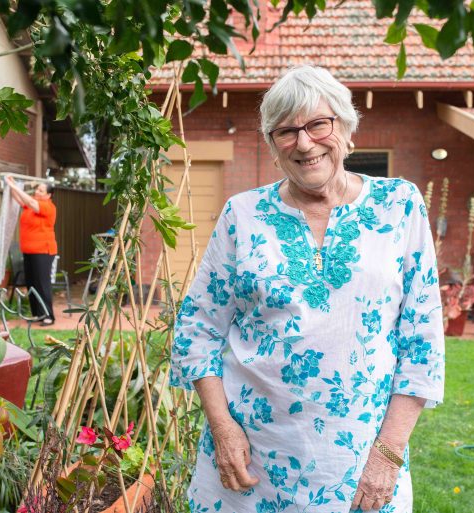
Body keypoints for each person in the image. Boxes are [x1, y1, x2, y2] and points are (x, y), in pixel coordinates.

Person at [170, 66, 445, 513]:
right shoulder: (243, 214)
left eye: (319, 124)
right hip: (250, 464)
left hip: (359, 466)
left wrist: (389, 453)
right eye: (286, 131)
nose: (303, 142)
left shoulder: (400, 206)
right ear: (272, 144)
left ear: (346, 127)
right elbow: (196, 331)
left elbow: (423, 341)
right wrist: (223, 430)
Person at [6, 176, 58, 325]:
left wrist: (14, 186)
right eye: (37, 189)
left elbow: (29, 201)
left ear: (48, 195)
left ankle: (48, 316)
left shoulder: (48, 207)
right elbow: (19, 199)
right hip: (29, 251)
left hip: (43, 251)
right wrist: (11, 185)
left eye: (41, 190)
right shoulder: (30, 207)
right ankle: (38, 314)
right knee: (32, 283)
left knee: (42, 283)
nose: (37, 191)